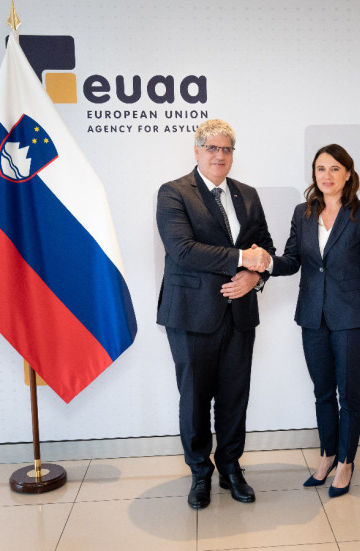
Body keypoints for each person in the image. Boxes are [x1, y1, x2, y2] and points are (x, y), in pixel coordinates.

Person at [155, 119, 274, 509]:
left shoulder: (248, 195)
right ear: (197, 151)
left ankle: (231, 467)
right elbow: (182, 249)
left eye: (226, 149)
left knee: (234, 397)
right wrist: (242, 259)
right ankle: (199, 473)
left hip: (239, 314)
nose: (219, 156)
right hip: (191, 314)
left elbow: (267, 249)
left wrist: (252, 278)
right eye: (212, 148)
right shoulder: (173, 193)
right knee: (194, 399)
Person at [270, 144, 360, 498]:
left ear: (348, 174)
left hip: (350, 316)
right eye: (321, 169)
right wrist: (267, 263)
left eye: (335, 169)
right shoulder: (302, 213)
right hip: (311, 316)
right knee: (322, 392)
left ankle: (346, 462)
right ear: (314, 174)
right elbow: (291, 260)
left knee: (348, 394)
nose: (327, 176)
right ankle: (327, 455)